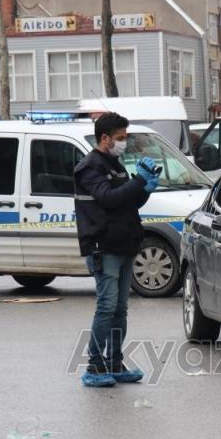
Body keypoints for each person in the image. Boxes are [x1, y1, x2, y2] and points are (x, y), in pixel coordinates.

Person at [74, 112, 160, 387]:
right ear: (105, 138)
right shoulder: (89, 167)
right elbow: (108, 199)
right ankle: (94, 366)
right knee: (107, 306)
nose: (124, 142)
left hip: (124, 244)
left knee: (120, 308)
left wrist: (145, 188)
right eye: (120, 138)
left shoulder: (115, 163)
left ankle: (114, 362)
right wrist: (137, 182)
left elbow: (128, 202)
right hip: (104, 246)